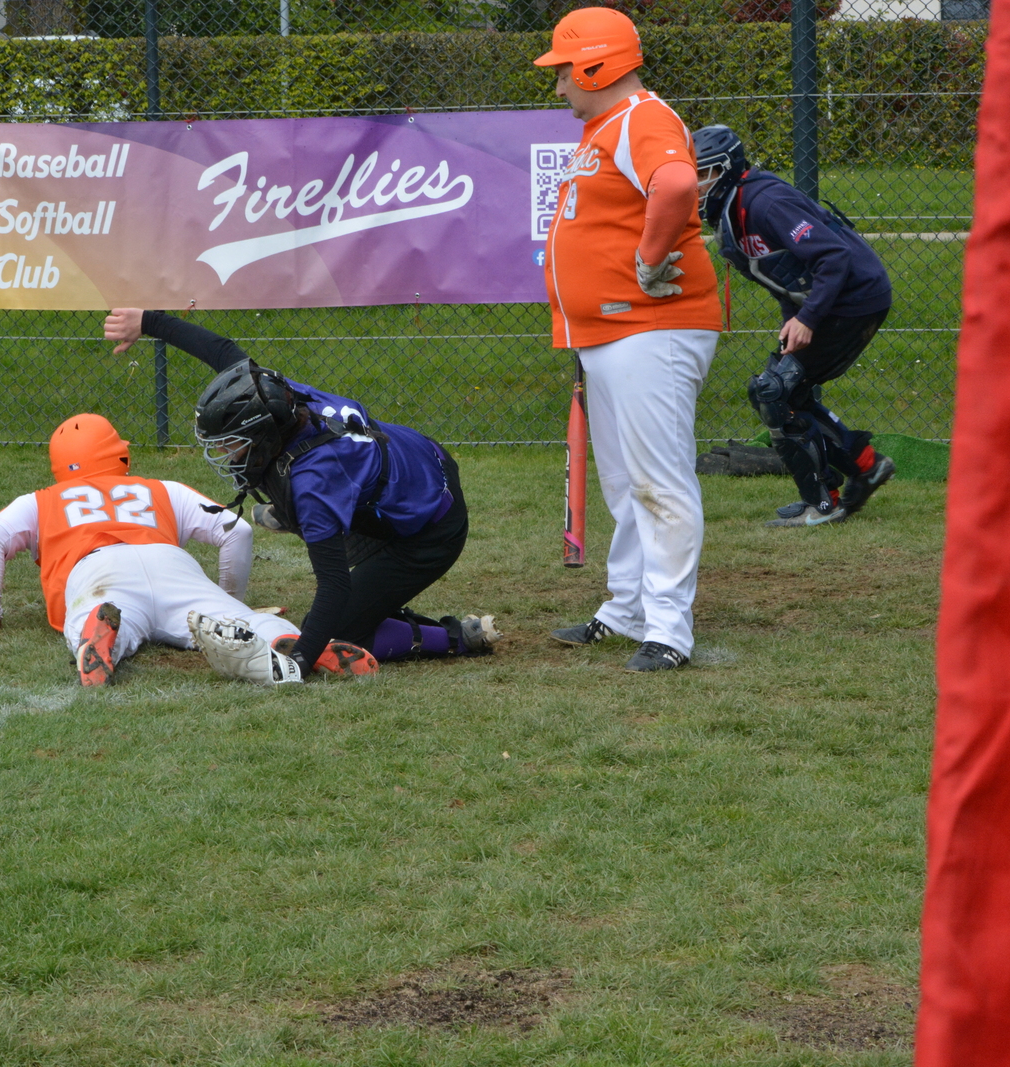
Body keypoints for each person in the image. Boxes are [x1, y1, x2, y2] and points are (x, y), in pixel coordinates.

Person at [101, 309, 503, 677]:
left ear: (262, 433)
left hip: (431, 528)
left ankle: (457, 638)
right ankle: (295, 517)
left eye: (232, 442)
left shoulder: (315, 485)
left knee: (336, 634)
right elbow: (220, 350)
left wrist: (299, 662)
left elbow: (333, 586)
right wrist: (148, 321)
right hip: (416, 461)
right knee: (313, 520)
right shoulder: (273, 395)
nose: (224, 451)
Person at [533, 8, 723, 673]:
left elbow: (675, 183)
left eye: (565, 71)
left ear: (596, 66)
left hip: (651, 326)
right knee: (625, 481)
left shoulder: (642, 116)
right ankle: (628, 607)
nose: (560, 85)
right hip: (615, 331)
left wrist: (648, 258)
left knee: (657, 480)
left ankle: (668, 628)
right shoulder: (610, 124)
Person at [0, 413, 377, 686]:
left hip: (97, 571)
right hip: (172, 563)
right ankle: (288, 639)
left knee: (101, 617)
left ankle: (99, 635)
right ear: (118, 454)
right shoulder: (161, 488)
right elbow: (238, 531)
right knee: (233, 621)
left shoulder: (40, 501)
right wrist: (229, 597)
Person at [692, 124, 897, 527]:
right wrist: (793, 319)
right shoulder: (733, 210)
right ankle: (866, 466)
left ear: (726, 169)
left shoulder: (765, 202)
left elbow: (832, 257)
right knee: (781, 393)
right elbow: (784, 274)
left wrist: (808, 318)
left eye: (703, 173)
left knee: (775, 391)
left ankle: (823, 504)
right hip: (835, 301)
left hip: (855, 299)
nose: (694, 184)